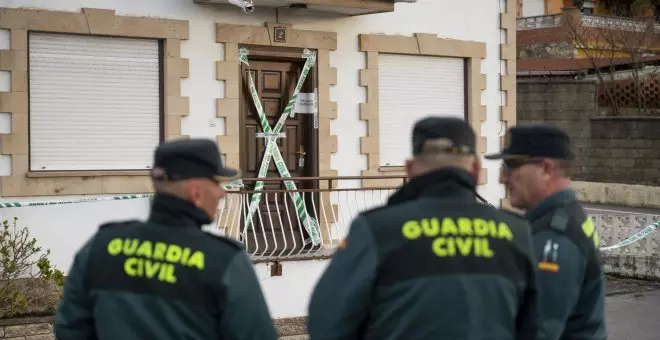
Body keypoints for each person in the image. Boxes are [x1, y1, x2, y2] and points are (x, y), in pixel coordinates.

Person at [307, 117, 540, 340]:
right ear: (477, 170)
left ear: (410, 169)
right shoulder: (517, 231)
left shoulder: (377, 229)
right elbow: (536, 326)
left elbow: (327, 320)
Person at [54, 138, 278, 340]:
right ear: (195, 192)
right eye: (217, 183)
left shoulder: (101, 246)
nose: (222, 193)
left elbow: (69, 328)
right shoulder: (225, 261)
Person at [486, 123, 607, 340]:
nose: (502, 178)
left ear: (546, 169)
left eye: (511, 165)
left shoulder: (554, 237)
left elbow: (538, 331)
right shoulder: (565, 216)